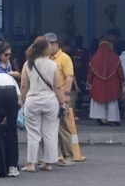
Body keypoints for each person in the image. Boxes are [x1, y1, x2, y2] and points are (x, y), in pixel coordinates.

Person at [21, 36, 64, 172]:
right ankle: (48, 163)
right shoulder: (52, 64)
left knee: (33, 133)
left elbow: (23, 85)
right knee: (50, 132)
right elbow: (57, 87)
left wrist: (22, 102)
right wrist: (62, 102)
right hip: (50, 101)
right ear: (45, 48)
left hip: (32, 100)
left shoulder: (28, 64)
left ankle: (31, 164)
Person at [46, 33, 75, 164]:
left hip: (60, 97)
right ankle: (51, 156)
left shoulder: (64, 58)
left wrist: (67, 94)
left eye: (49, 45)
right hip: (47, 97)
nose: (48, 47)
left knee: (63, 128)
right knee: (48, 129)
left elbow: (69, 76)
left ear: (55, 44)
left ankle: (68, 156)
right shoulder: (45, 58)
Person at [88, 37, 125, 125]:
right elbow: (120, 72)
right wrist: (123, 81)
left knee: (99, 101)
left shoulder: (94, 59)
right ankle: (113, 119)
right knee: (112, 102)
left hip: (98, 84)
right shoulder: (115, 58)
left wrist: (89, 82)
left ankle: (101, 119)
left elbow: (90, 73)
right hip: (112, 83)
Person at [71, 35, 90, 110]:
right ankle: (77, 104)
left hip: (80, 72)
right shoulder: (73, 50)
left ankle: (78, 104)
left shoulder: (82, 51)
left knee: (80, 88)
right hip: (75, 72)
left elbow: (87, 62)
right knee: (76, 89)